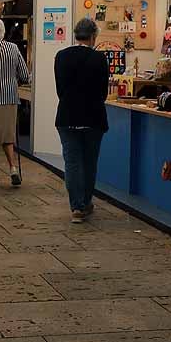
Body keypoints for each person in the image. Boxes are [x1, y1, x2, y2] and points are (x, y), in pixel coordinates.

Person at [54, 19, 109, 223]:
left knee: (72, 162)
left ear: (76, 34)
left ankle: (76, 206)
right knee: (89, 162)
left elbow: (60, 89)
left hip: (67, 116)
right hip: (93, 117)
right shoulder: (99, 59)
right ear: (93, 36)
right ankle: (85, 202)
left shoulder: (61, 56)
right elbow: (103, 91)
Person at [0, 17, 30, 188]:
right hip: (10, 98)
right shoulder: (14, 48)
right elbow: (24, 75)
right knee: (8, 137)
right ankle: (13, 168)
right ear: (2, 31)